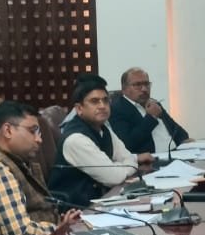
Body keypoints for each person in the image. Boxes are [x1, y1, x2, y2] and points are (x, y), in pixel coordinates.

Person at [0, 101, 79, 235]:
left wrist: (62, 224)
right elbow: (19, 232)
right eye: (32, 131)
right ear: (8, 131)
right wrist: (61, 229)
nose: (39, 139)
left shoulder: (10, 158)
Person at [50, 77, 147, 207]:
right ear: (79, 109)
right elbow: (114, 178)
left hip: (103, 200)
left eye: (105, 100)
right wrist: (123, 166)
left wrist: (120, 166)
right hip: (77, 209)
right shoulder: (76, 139)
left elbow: (129, 158)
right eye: (94, 101)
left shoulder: (103, 129)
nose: (102, 106)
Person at [111, 67, 191, 156]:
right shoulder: (117, 109)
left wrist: (186, 143)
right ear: (124, 89)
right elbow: (127, 144)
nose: (144, 89)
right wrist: (151, 117)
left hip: (177, 153)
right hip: (152, 159)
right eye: (137, 85)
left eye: (147, 84)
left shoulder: (154, 104)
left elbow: (180, 132)